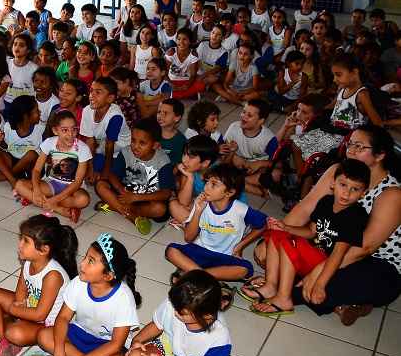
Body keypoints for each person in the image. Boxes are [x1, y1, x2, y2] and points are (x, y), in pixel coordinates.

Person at [252, 125, 401, 326]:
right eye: (350, 145)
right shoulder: (337, 172)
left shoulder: (391, 194)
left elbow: (364, 247)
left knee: (324, 283)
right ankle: (342, 303)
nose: (351, 150)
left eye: (360, 146)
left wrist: (319, 272)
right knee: (279, 249)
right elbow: (305, 209)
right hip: (333, 245)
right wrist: (274, 238)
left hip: (375, 262)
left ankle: (290, 293)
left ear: (380, 155)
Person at [246, 158, 369, 317]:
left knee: (290, 242)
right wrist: (286, 227)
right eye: (343, 185)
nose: (347, 193)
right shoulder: (326, 202)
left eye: (355, 189)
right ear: (333, 184)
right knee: (276, 233)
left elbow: (338, 255)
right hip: (313, 254)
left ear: (363, 193)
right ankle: (270, 285)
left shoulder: (355, 216)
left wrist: (319, 284)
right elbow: (311, 231)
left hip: (326, 265)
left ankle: (284, 299)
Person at [0, 214, 78, 356]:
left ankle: (3, 322)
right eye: (21, 239)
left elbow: (39, 315)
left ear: (43, 250)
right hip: (30, 307)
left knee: (14, 333)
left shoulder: (53, 276)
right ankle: (5, 341)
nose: (20, 245)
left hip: (48, 324)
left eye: (25, 241)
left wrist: (13, 310)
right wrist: (19, 306)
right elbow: (20, 293)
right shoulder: (29, 262)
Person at [166, 164, 266, 308]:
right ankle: (212, 283)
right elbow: (188, 237)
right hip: (200, 250)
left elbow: (263, 224)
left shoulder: (240, 209)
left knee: (245, 269)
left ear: (230, 192)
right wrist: (198, 211)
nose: (206, 187)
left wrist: (241, 245)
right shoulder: (201, 203)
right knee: (171, 250)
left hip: (225, 257)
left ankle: (193, 277)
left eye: (214, 184)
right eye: (207, 182)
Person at [35, 234, 141, 356]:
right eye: (85, 257)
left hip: (106, 345)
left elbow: (115, 344)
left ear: (108, 276)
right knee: (44, 336)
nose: (82, 263)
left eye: (90, 261)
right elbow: (63, 318)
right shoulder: (79, 282)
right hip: (80, 333)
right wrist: (59, 350)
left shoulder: (124, 298)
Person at [126, 270, 231, 356]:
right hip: (165, 349)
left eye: (182, 313)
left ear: (207, 315)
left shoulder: (218, 341)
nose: (175, 313)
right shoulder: (177, 303)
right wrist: (137, 341)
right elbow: (157, 325)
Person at [95, 117, 174, 236]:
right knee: (101, 185)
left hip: (146, 200)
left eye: (142, 143)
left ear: (155, 145)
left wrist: (136, 197)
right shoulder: (126, 152)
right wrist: (122, 191)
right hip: (126, 194)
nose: (135, 146)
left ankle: (113, 206)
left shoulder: (163, 161)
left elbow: (166, 193)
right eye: (133, 140)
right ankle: (133, 217)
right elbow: (112, 175)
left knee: (160, 209)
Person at [15, 110, 92, 224]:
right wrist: (36, 190)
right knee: (19, 185)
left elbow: (77, 182)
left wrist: (55, 199)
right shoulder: (49, 143)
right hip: (51, 184)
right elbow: (36, 170)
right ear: (55, 130)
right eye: (65, 130)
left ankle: (42, 201)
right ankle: (59, 209)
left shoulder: (83, 148)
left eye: (74, 129)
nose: (70, 134)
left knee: (84, 200)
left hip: (72, 189)